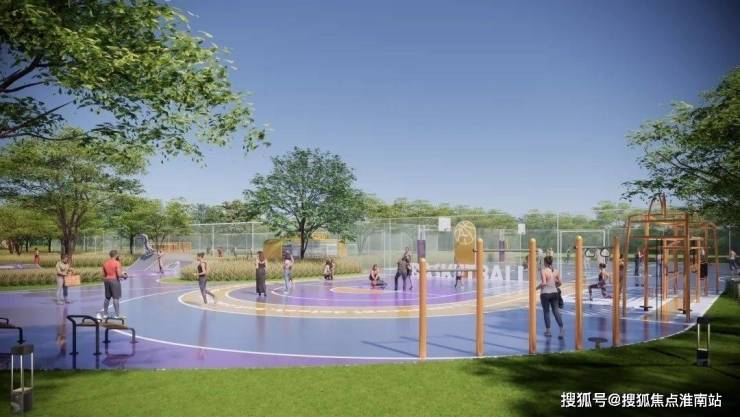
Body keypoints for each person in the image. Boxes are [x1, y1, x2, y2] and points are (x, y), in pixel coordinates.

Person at [539, 255, 564, 339]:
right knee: (556, 312)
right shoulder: (556, 271)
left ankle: (548, 331)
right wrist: (554, 286)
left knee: (546, 312)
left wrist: (536, 288)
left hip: (545, 294)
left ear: (545, 262)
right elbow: (560, 283)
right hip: (554, 293)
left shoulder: (543, 271)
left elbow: (544, 283)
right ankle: (561, 330)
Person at [99, 250, 126, 319]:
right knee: (115, 298)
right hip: (114, 281)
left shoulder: (105, 263)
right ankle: (117, 315)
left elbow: (103, 275)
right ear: (116, 255)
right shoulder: (117, 263)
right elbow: (119, 275)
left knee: (107, 297)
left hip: (107, 280)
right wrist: (125, 276)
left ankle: (105, 314)